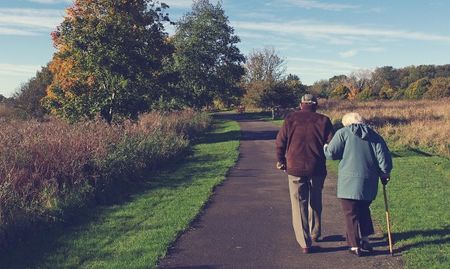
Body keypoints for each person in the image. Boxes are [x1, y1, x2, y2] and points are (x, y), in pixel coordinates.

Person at [323, 112, 393, 256]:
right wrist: (385, 174)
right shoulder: (375, 135)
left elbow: (331, 154)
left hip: (348, 182)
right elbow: (384, 160)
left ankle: (354, 245)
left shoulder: (343, 133)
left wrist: (325, 147)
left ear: (346, 123)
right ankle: (365, 239)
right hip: (369, 182)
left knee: (350, 213)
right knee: (363, 209)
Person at [275, 94, 334, 254]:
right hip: (317, 168)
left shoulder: (290, 119)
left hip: (295, 167)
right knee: (315, 200)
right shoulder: (324, 120)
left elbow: (280, 141)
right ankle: (315, 233)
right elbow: (331, 144)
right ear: (315, 105)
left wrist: (280, 160)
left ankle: (304, 242)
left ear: (301, 104)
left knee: (298, 203)